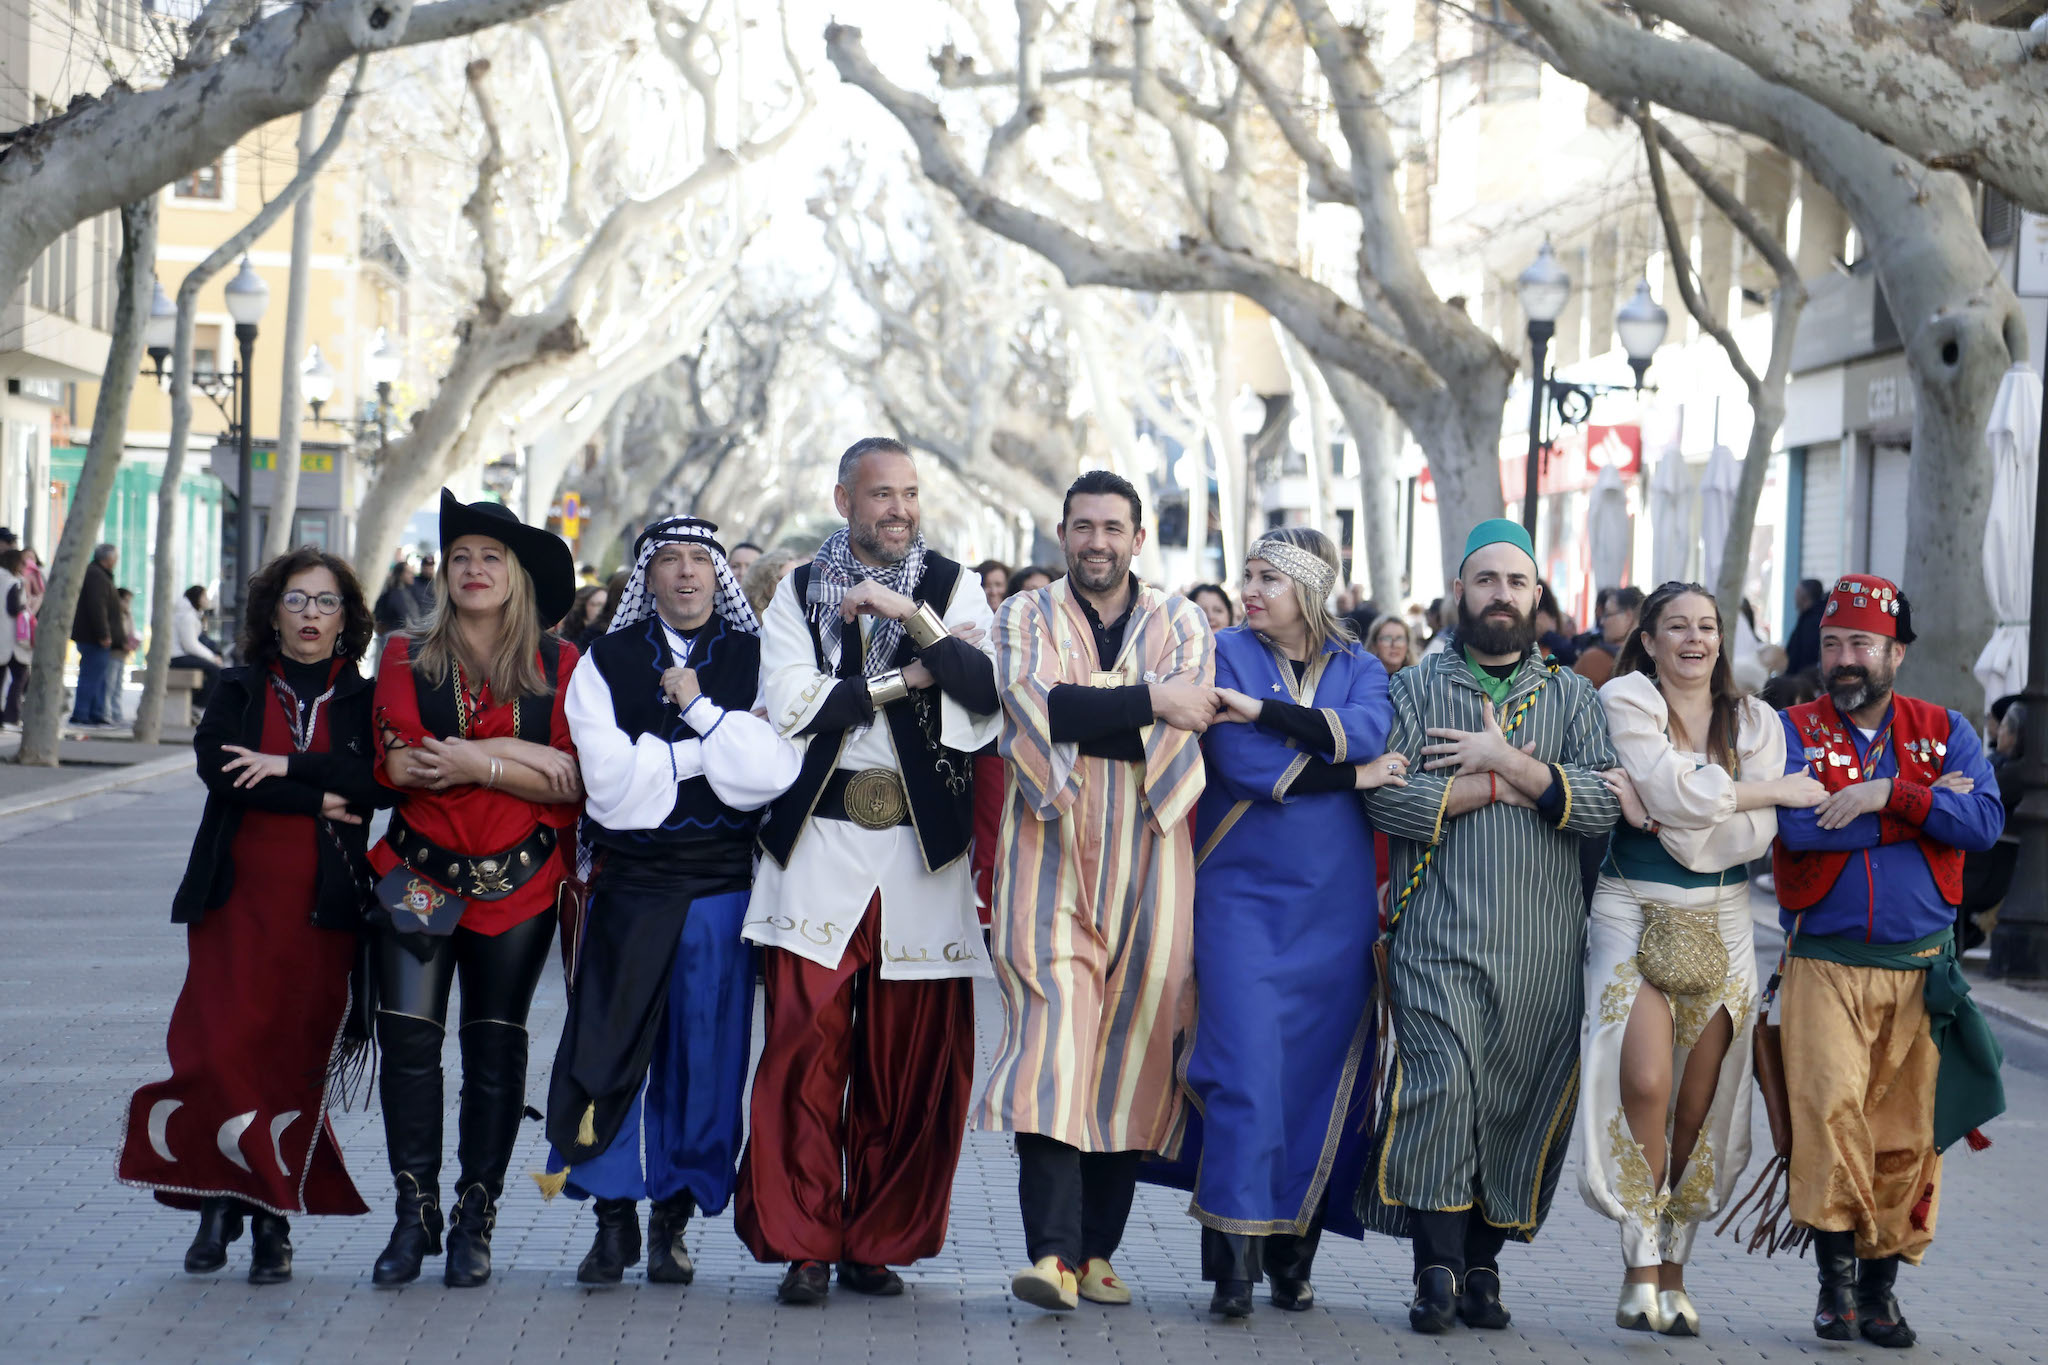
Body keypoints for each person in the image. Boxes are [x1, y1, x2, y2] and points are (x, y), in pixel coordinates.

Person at [735, 437, 1000, 1306]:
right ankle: (806, 1239)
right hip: (819, 841)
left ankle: (874, 1239)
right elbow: (794, 704)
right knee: (804, 1053)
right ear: (843, 496)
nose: (900, 508)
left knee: (909, 1060)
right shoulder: (799, 590)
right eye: (882, 493)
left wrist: (903, 614)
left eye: (911, 493)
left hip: (922, 855)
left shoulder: (956, 585)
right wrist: (905, 678)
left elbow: (981, 688)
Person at [1358, 519, 1621, 1335]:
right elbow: (1381, 797)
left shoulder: (1574, 695)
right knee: (1442, 1092)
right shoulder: (1410, 690)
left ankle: (1482, 1267)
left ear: (1538, 596)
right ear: (1459, 593)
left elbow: (1607, 802)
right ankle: (1432, 1270)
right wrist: (1501, 790)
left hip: (1543, 947)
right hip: (1435, 932)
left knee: (1512, 1102)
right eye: (1485, 580)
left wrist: (1503, 761)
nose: (1500, 594)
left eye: (1515, 581)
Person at [539, 516, 800, 1284]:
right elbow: (613, 792)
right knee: (607, 1049)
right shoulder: (605, 659)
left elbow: (768, 774)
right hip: (631, 882)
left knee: (704, 1059)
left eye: (700, 560)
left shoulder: (758, 657)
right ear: (646, 575)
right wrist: (710, 742)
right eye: (670, 560)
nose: (686, 573)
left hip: (720, 886)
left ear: (719, 574)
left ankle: (671, 1220)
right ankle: (611, 1216)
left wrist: (687, 727)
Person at [117, 547, 388, 1284]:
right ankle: (219, 1203)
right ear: (273, 612)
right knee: (221, 1049)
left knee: (288, 1058)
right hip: (234, 903)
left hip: (323, 910)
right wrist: (315, 795)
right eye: (296, 600)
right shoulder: (238, 685)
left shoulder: (365, 697)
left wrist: (290, 770)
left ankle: (270, 1221)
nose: (309, 614)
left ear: (346, 618)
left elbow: (375, 781)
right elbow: (221, 767)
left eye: (325, 602)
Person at [982, 470, 1215, 1313]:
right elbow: (1035, 703)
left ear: (1138, 538)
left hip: (1153, 853)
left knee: (1134, 1049)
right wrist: (1148, 697)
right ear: (1062, 531)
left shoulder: (1182, 618)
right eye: (1083, 526)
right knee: (1054, 1046)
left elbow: (1187, 718)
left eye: (1113, 528)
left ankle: (1097, 1252)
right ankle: (1050, 1252)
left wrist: (1096, 708)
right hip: (1050, 849)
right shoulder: (1023, 615)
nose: (1097, 542)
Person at [1158, 527, 1403, 1318]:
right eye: (1247, 575)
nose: (1250, 589)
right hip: (1240, 899)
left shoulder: (1362, 666)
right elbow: (1244, 765)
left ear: (1312, 587)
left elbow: (1373, 732)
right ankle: (1233, 1266)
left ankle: (1293, 1258)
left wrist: (1269, 712)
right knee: (1247, 1072)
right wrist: (1352, 774)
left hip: (1335, 908)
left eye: (1269, 577)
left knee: (1315, 1082)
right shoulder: (1219, 650)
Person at [1583, 583, 1825, 1335]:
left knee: (1701, 1104)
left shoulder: (1757, 719)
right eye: (1676, 626)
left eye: (1707, 626)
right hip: (1630, 910)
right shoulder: (1624, 698)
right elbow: (1696, 804)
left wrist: (1668, 808)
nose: (1694, 638)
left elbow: (1732, 837)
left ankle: (1676, 1269)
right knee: (1646, 1079)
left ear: (1723, 639)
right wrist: (1766, 791)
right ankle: (1639, 1263)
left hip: (1724, 917)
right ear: (1648, 640)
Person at [1771, 575, 2006, 1348]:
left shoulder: (1948, 726)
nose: (1844, 659)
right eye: (1833, 643)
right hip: (1825, 964)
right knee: (1831, 1117)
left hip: (1922, 969)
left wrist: (1883, 794)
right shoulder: (1792, 729)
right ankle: (1834, 1290)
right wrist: (1918, 804)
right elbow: (1800, 832)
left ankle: (1880, 1292)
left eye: (1861, 645)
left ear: (1895, 653)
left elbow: (1982, 821)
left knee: (1907, 1135)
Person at [366, 489, 584, 1289]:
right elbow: (402, 764)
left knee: (494, 1051)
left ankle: (474, 1213)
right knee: (411, 1047)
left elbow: (573, 778)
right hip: (416, 878)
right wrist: (517, 758)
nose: (474, 569)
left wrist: (473, 760)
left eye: (491, 556)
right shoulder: (402, 654)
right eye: (460, 557)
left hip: (519, 885)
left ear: (518, 574)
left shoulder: (562, 665)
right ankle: (413, 1208)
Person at [69, 542, 123, 727]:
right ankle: (82, 713)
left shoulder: (99, 575)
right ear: (107, 559)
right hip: (94, 638)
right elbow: (96, 607)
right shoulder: (96, 576)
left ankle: (95, 713)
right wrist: (103, 633)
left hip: (95, 637)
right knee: (91, 676)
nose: (116, 561)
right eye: (115, 557)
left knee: (98, 678)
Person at [1575, 586, 1643, 687]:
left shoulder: (1594, 659)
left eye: (1607, 614)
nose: (1602, 622)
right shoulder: (1656, 659)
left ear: (1628, 617)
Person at [171, 586, 225, 708]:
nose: (207, 600)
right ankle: (198, 706)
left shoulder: (190, 614)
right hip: (177, 657)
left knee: (212, 670)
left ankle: (197, 704)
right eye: (204, 596)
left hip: (178, 655)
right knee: (216, 671)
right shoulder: (187, 616)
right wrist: (212, 657)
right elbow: (190, 645)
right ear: (197, 598)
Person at [0, 547, 26, 724]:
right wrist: (24, 608)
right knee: (20, 675)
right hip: (10, 638)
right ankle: (11, 714)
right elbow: (13, 609)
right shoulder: (12, 582)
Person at [740, 548, 799, 620]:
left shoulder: (797, 616)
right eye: (782, 579)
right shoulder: (743, 614)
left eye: (793, 580)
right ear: (765, 580)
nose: (790, 585)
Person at [1784, 577, 1825, 677]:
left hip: (1805, 681)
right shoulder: (1810, 618)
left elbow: (1804, 655)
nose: (1794, 597)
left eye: (1797, 593)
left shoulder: (1812, 623)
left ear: (1803, 596)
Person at [111, 587, 140, 723]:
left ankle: (116, 714)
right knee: (111, 685)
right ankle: (110, 714)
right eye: (126, 601)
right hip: (114, 652)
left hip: (122, 653)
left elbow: (131, 631)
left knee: (117, 686)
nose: (128, 604)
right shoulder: (114, 615)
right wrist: (122, 643)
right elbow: (116, 633)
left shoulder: (127, 614)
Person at [562, 583, 608, 648]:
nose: (603, 609)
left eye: (606, 605)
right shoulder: (564, 639)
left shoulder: (607, 637)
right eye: (598, 604)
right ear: (581, 606)